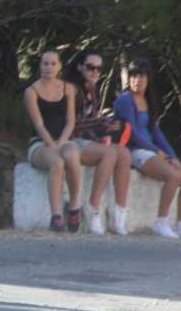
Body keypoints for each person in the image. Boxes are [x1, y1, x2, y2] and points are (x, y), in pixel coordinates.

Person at [113, 59, 181, 240]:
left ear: (148, 79)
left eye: (141, 76)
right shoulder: (125, 100)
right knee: (173, 176)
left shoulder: (147, 101)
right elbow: (131, 133)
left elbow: (155, 131)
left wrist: (171, 155)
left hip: (152, 151)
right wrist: (157, 152)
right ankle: (161, 222)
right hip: (136, 151)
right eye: (134, 76)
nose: (137, 80)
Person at [64, 50, 129, 235]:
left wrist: (107, 127)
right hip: (70, 142)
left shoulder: (93, 89)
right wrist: (102, 123)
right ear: (79, 67)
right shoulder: (71, 90)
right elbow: (72, 124)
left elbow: (92, 121)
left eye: (99, 69)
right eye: (90, 67)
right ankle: (92, 209)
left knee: (123, 153)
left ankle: (119, 213)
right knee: (110, 153)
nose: (95, 72)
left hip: (87, 141)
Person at [24, 49, 84, 232]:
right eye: (45, 63)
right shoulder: (31, 91)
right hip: (40, 143)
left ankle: (74, 207)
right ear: (40, 66)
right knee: (56, 162)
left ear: (59, 67)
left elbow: (70, 122)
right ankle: (56, 215)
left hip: (63, 139)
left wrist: (61, 143)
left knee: (72, 155)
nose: (48, 67)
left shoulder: (68, 89)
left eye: (53, 64)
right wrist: (52, 146)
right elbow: (39, 125)